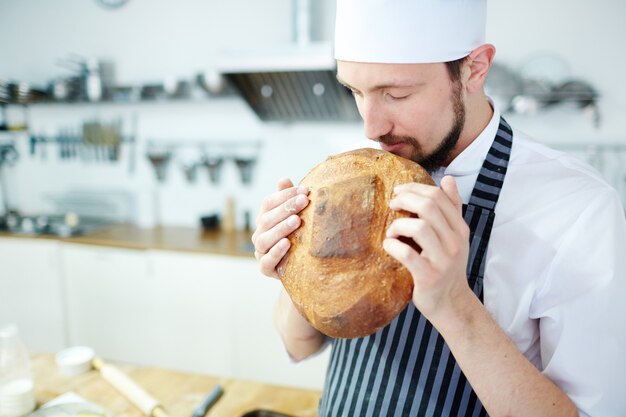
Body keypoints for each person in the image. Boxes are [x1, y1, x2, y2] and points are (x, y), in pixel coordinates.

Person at [251, 0, 626, 416]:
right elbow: (298, 345)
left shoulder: (578, 210)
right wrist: (293, 272)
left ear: (475, 69)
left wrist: (453, 304)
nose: (371, 126)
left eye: (397, 93)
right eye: (355, 92)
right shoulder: (355, 172)